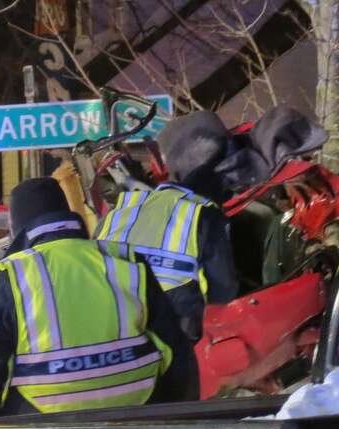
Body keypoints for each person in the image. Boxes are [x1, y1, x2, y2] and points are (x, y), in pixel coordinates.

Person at [0, 178, 196, 420]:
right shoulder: (125, 259)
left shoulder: (8, 275)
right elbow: (173, 345)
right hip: (136, 406)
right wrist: (175, 416)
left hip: (46, 415)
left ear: (17, 226)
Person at [95, 110, 239, 342]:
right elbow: (223, 290)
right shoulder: (202, 214)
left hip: (114, 330)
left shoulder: (120, 211)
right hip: (172, 335)